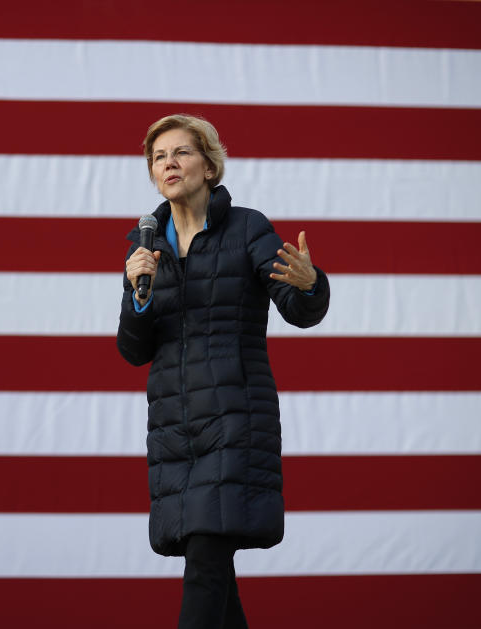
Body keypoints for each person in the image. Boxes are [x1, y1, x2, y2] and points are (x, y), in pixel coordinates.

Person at [117, 114, 330, 628]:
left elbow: (300, 309)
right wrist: (135, 294)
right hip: (175, 431)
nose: (168, 163)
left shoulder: (247, 228)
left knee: (206, 563)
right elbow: (133, 350)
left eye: (181, 152)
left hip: (235, 419)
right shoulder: (145, 247)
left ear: (209, 165)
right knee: (208, 565)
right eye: (159, 157)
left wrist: (311, 284)